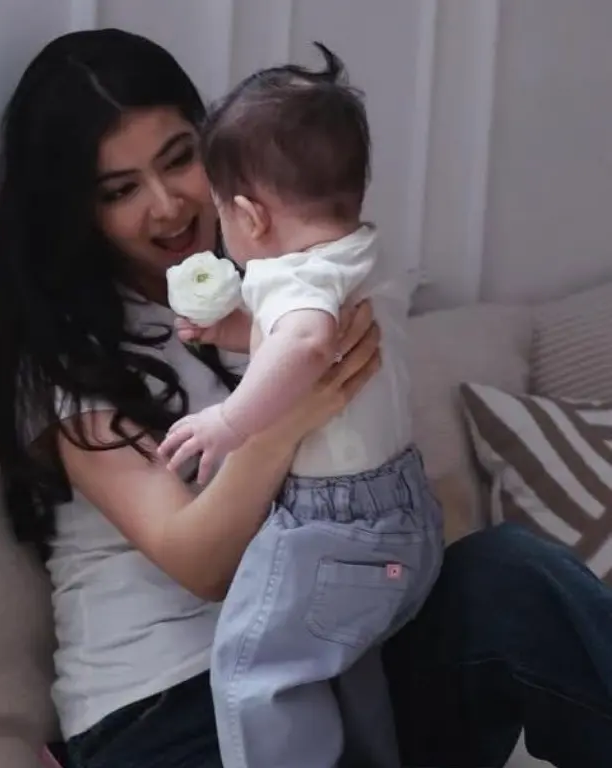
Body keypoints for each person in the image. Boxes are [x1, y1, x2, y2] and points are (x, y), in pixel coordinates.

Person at [0, 27, 612, 768]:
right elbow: (200, 561)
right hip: (171, 700)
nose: (167, 205)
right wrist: (286, 416)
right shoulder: (67, 358)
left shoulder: (285, 279)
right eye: (120, 191)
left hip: (342, 652)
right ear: (77, 211)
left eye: (179, 159)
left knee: (514, 577)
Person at [153, 45, 443, 768]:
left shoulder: (289, 280)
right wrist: (233, 330)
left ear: (249, 216)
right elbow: (296, 331)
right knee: (346, 665)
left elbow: (307, 341)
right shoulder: (359, 254)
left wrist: (229, 421)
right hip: (404, 512)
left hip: (332, 525)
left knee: (251, 674)